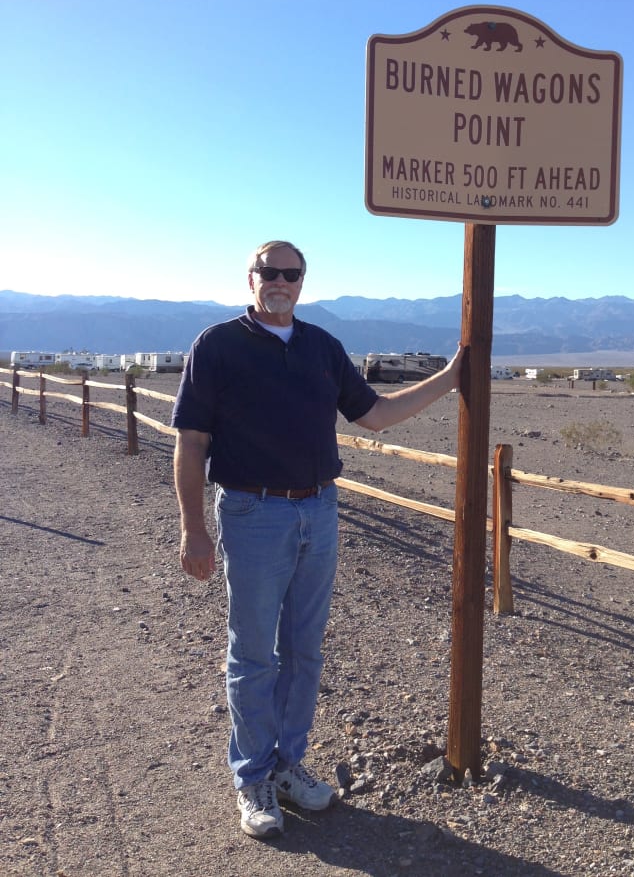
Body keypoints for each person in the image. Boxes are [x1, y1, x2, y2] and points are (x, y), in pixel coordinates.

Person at [172, 240, 463, 840]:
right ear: (250, 278)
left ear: (303, 282)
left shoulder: (321, 347)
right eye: (268, 272)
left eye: (291, 274)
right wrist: (193, 528)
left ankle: (286, 766)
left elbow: (374, 415)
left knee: (305, 650)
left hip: (319, 511)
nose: (279, 281)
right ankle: (252, 776)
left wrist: (451, 377)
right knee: (254, 654)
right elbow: (192, 442)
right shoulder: (217, 345)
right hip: (252, 513)